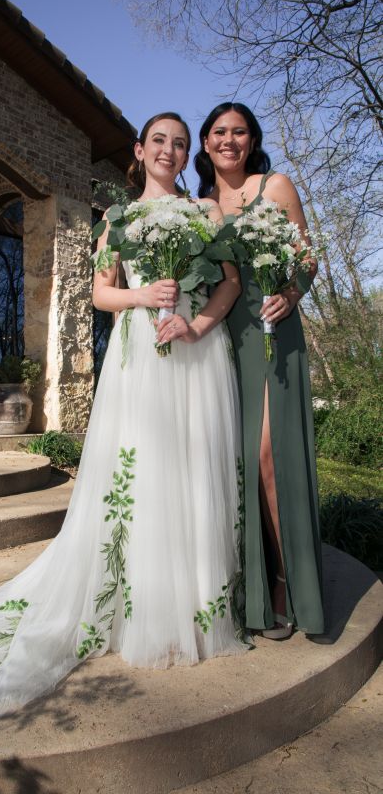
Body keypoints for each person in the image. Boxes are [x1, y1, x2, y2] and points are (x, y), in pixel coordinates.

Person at [0, 112, 245, 732]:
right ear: (139, 151)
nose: (169, 151)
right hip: (143, 356)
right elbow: (99, 293)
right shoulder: (117, 220)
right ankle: (144, 611)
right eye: (158, 142)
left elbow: (229, 284)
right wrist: (142, 297)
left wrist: (196, 325)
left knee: (193, 470)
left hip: (198, 356)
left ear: (185, 152)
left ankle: (193, 610)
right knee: (144, 473)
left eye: (178, 143)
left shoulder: (206, 213)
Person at [194, 102, 325, 639]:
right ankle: (246, 585)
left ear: (252, 140)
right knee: (237, 462)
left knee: (270, 455)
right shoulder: (199, 205)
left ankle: (288, 582)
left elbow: (308, 255)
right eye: (219, 132)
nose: (229, 140)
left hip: (274, 332)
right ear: (206, 142)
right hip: (223, 342)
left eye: (240, 131)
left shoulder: (277, 186)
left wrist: (291, 294)